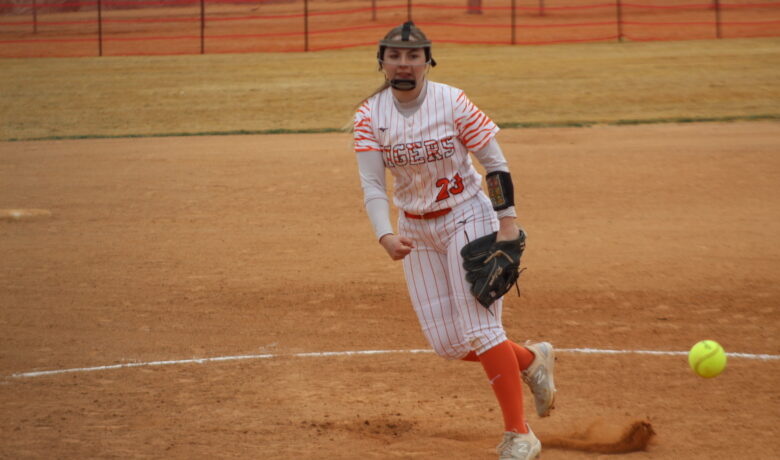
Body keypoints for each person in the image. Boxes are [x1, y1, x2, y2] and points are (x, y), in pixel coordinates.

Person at [352, 21, 557, 460]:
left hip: (468, 216)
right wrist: (384, 234)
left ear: (428, 60)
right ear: (382, 61)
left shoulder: (453, 101)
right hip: (414, 229)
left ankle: (520, 435)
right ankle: (530, 360)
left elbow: (495, 165)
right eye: (394, 55)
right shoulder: (369, 116)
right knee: (448, 344)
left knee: (481, 330)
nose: (403, 64)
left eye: (413, 56)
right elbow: (372, 186)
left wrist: (507, 222)